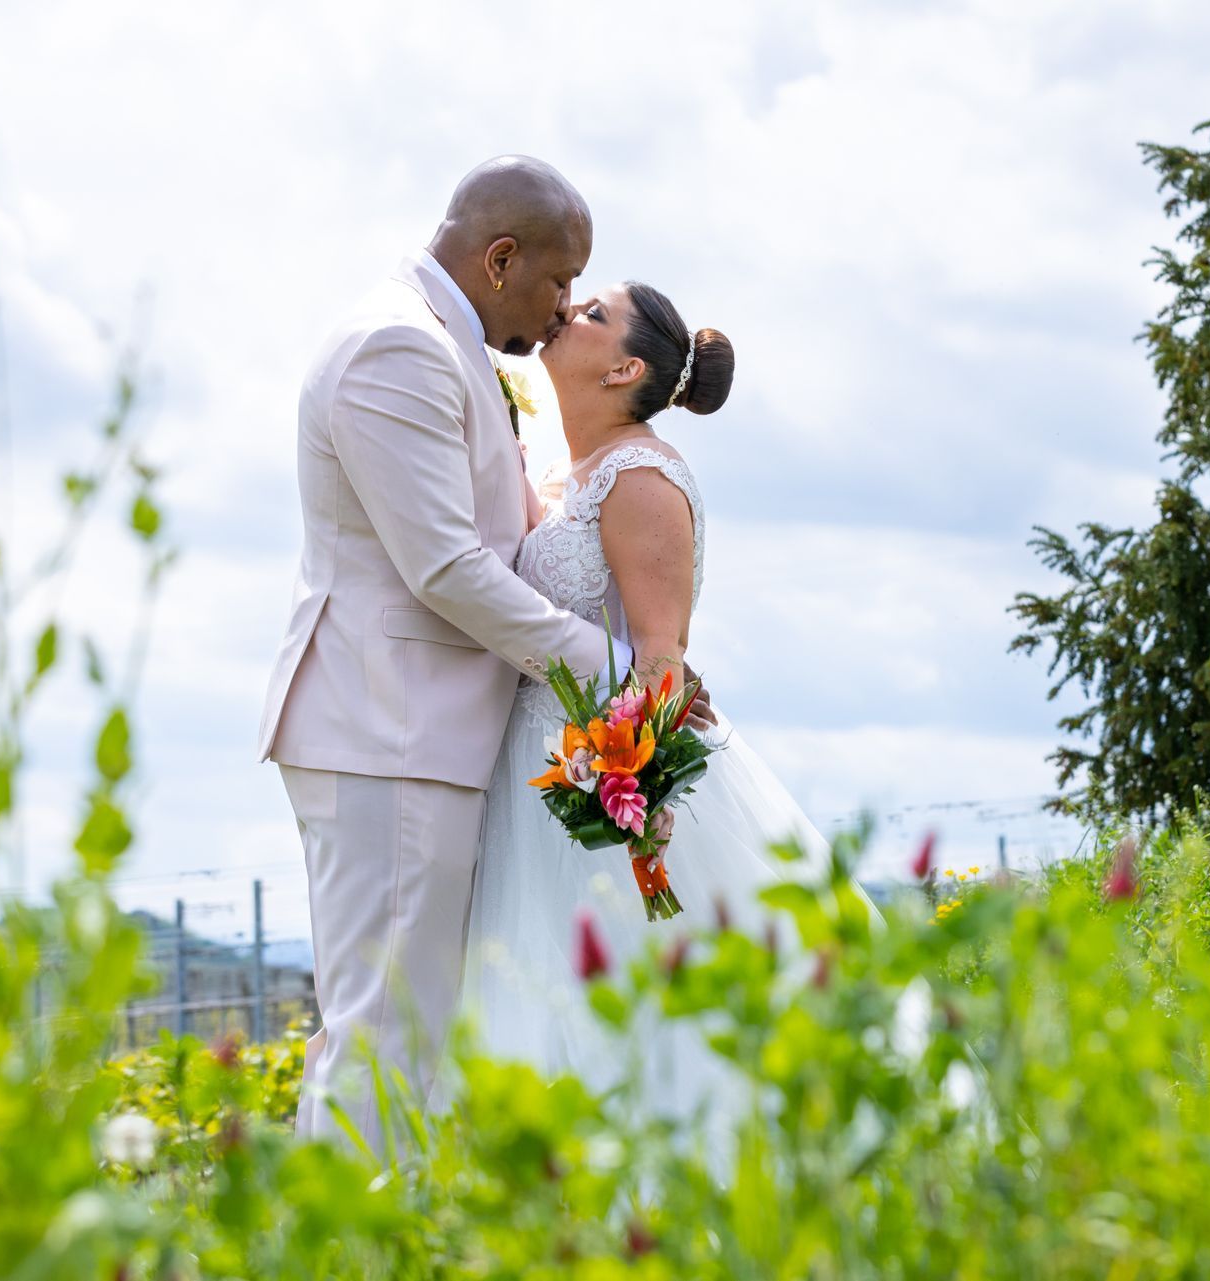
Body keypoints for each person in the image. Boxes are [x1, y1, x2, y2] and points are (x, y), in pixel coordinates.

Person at [257, 157, 711, 1148]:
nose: (560, 311)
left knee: (408, 1041)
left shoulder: (446, 349)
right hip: (387, 730)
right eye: (558, 282)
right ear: (502, 258)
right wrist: (607, 667)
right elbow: (447, 569)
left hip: (418, 737)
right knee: (384, 1039)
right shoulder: (398, 348)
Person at [458, 280, 866, 1159]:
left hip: (609, 788)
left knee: (640, 1027)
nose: (568, 310)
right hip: (541, 770)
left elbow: (659, 659)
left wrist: (621, 794)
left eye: (593, 313)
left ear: (627, 368)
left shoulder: (641, 477)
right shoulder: (577, 473)